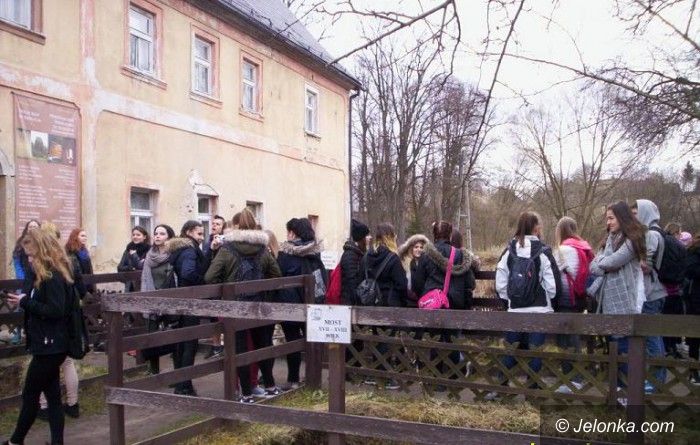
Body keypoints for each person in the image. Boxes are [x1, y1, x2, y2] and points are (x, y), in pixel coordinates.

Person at [5, 229, 73, 445]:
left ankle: (16, 441)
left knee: (30, 395)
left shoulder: (52, 276)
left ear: (42, 252)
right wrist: (25, 299)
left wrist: (25, 302)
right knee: (53, 397)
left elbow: (55, 310)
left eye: (31, 255)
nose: (29, 260)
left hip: (50, 347)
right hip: (47, 345)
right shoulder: (42, 275)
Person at [206, 209, 282, 402]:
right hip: (258, 305)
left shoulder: (227, 249)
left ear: (236, 226)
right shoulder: (263, 249)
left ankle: (246, 394)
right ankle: (271, 386)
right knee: (262, 345)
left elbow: (210, 277)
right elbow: (276, 274)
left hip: (235, 307)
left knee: (240, 350)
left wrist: (225, 283)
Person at [491, 211, 561, 398]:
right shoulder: (543, 251)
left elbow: (500, 283)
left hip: (515, 310)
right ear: (536, 228)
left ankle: (502, 388)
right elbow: (553, 286)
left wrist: (510, 301)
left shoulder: (509, 251)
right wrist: (549, 303)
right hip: (540, 310)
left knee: (510, 348)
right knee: (535, 351)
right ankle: (532, 390)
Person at [588, 201, 645, 395]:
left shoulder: (632, 241)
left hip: (624, 301)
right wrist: (605, 263)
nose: (608, 222)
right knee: (614, 347)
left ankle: (630, 392)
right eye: (607, 219)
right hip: (607, 302)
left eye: (611, 218)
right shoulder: (608, 240)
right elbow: (593, 266)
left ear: (622, 217)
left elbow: (613, 261)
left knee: (624, 348)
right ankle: (619, 391)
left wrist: (603, 263)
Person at [412, 221, 476, 391]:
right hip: (454, 303)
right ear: (450, 235)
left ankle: (438, 380)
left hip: (433, 305)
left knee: (435, 341)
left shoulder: (427, 254)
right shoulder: (460, 255)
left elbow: (417, 282)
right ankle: (455, 379)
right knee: (453, 340)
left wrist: (425, 294)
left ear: (434, 235)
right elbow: (468, 281)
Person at [276, 217, 328, 390]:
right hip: (312, 303)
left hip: (290, 305)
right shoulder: (315, 253)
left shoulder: (286, 254)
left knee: (292, 342)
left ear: (293, 233)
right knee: (312, 340)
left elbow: (278, 276)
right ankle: (313, 378)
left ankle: (293, 379)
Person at [358, 223, 407, 389]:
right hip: (389, 304)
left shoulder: (367, 256)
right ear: (390, 237)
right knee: (387, 340)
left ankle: (374, 374)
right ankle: (384, 376)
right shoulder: (392, 258)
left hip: (371, 303)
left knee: (377, 337)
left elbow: (360, 278)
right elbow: (401, 284)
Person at [552, 217, 594, 393]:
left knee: (565, 339)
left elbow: (551, 272)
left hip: (564, 297)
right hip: (579, 297)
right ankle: (575, 379)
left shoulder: (562, 250)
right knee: (574, 336)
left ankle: (572, 380)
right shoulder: (584, 247)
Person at [167, 220, 208, 396]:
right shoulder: (190, 250)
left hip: (178, 301)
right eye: (199, 233)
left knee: (180, 343)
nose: (202, 237)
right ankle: (185, 385)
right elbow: (188, 273)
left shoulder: (178, 249)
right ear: (189, 232)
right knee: (189, 343)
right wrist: (204, 282)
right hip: (189, 301)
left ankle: (180, 382)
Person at [632, 199, 669, 391]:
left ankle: (656, 381)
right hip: (654, 291)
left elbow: (646, 265)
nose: (633, 218)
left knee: (652, 338)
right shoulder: (654, 232)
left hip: (651, 293)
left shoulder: (652, 234)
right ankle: (656, 380)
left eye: (636, 214)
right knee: (654, 337)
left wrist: (630, 260)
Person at [140, 224, 176, 375]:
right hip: (152, 300)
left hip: (170, 300)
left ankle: (177, 373)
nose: (158, 236)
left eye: (162, 233)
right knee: (152, 335)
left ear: (169, 237)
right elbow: (144, 279)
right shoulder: (150, 255)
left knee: (173, 335)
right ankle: (153, 370)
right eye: (156, 233)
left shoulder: (173, 255)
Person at [9, 220, 40, 346]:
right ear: (27, 228)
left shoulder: (42, 242)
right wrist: (23, 279)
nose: (32, 228)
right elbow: (17, 262)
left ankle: (32, 331)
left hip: (38, 278)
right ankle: (17, 332)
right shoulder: (20, 243)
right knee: (20, 305)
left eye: (35, 226)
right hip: (24, 280)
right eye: (30, 226)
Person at [201, 215, 226, 359]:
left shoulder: (226, 242)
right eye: (213, 223)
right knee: (213, 317)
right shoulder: (208, 242)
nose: (214, 226)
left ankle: (224, 345)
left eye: (218, 224)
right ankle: (216, 346)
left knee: (222, 317)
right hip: (211, 283)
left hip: (222, 284)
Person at [684, 233, 700, 385]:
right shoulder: (694, 252)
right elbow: (689, 270)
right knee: (695, 336)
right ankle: (693, 371)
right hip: (696, 299)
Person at [398, 232, 429, 306]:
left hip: (424, 300)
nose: (419, 249)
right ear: (411, 248)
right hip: (407, 301)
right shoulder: (404, 263)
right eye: (416, 247)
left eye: (421, 247)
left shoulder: (427, 263)